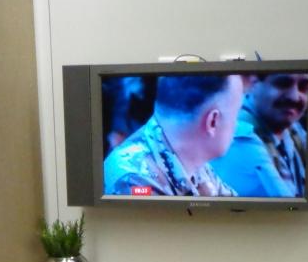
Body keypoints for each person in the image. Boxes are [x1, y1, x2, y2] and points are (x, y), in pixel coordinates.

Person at [103, 73, 243, 197]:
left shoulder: (192, 159)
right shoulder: (133, 182)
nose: (236, 125)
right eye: (235, 115)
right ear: (213, 121)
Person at [213, 72, 308, 197]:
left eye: (303, 87)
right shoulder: (238, 135)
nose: (294, 97)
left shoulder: (292, 130)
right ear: (254, 83)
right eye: (283, 84)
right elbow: (284, 203)